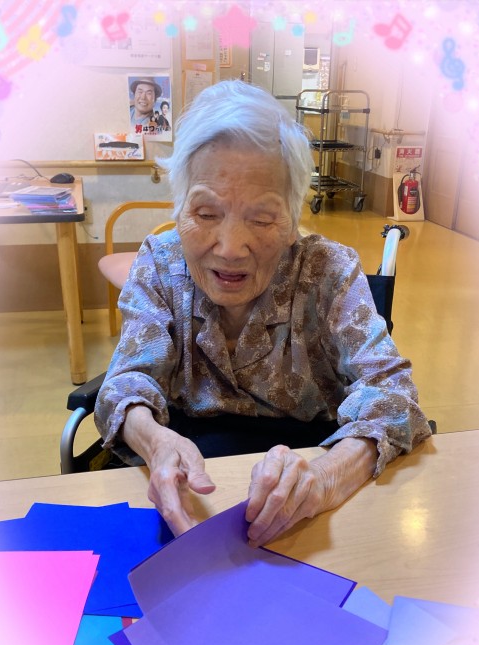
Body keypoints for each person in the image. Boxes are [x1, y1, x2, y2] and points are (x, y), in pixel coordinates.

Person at [95, 80, 432, 548]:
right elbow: (126, 382)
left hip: (308, 490)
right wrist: (155, 441)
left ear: (293, 219)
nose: (231, 248)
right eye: (206, 213)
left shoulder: (327, 270)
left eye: (262, 218)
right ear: (179, 206)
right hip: (194, 492)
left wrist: (326, 476)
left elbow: (394, 394)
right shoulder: (160, 262)